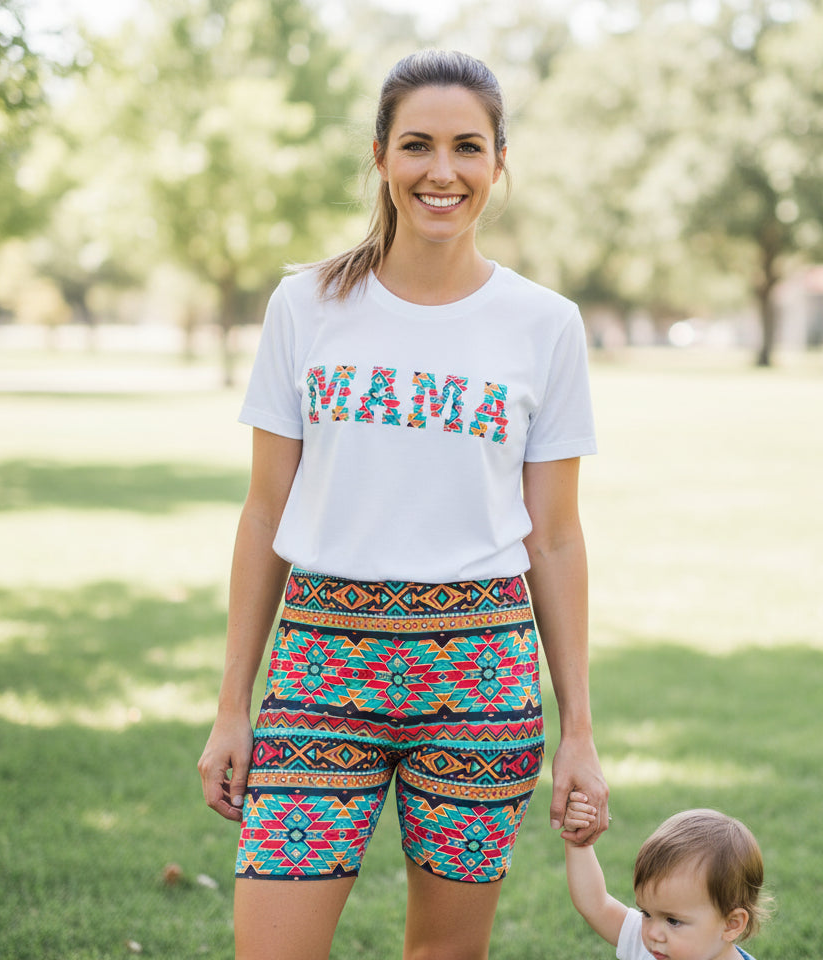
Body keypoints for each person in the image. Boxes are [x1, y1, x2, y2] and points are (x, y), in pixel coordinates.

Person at [197, 49, 609, 960]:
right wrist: (234, 706)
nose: (441, 171)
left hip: (479, 678)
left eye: (468, 147)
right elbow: (264, 515)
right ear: (381, 154)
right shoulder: (305, 305)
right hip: (320, 666)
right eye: (417, 145)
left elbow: (555, 538)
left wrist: (578, 732)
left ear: (499, 162)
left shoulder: (545, 324)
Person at [562, 798, 769, 960]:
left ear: (731, 924)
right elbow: (596, 905)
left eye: (673, 921)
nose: (652, 933)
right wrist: (579, 843)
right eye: (646, 913)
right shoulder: (650, 947)